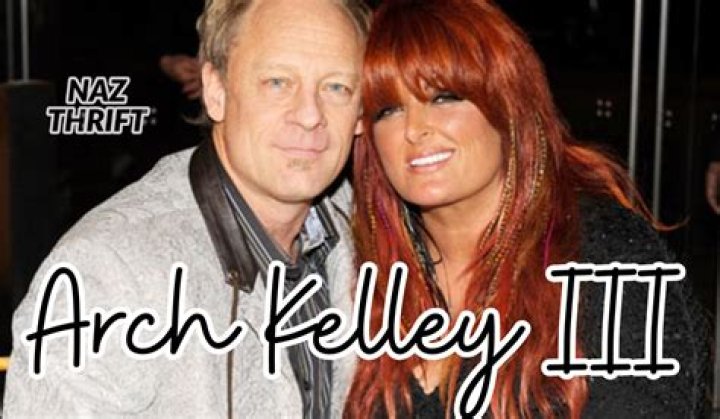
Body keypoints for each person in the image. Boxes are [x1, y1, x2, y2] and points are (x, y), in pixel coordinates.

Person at [3, 0, 369, 417]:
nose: (309, 115)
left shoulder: (373, 230)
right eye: (277, 82)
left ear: (361, 111)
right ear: (216, 91)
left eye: (337, 87)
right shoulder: (105, 276)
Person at [345, 0, 708, 418]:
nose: (415, 129)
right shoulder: (362, 273)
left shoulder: (604, 255)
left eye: (444, 97)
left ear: (507, 105)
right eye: (389, 109)